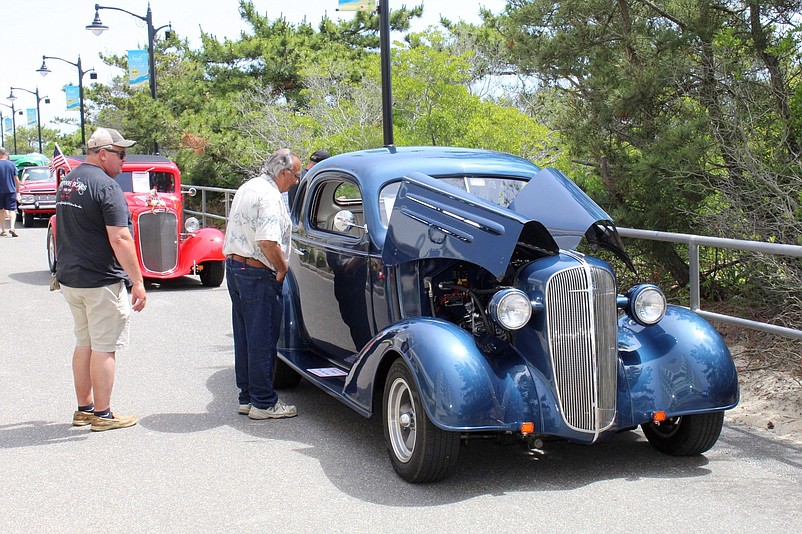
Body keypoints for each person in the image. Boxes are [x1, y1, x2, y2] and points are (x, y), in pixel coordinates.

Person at [55, 127, 146, 432]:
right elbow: (120, 237)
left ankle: (84, 409)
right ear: (104, 154)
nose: (124, 160)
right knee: (104, 347)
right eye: (121, 154)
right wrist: (139, 281)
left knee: (85, 343)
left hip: (71, 278)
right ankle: (103, 415)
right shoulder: (107, 188)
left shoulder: (68, 182)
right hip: (100, 281)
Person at [223, 148, 301, 420]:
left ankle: (248, 396)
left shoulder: (249, 186)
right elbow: (267, 240)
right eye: (296, 175)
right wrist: (282, 267)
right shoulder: (270, 195)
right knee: (262, 338)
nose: (296, 181)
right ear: (283, 172)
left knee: (245, 335)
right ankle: (264, 402)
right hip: (257, 271)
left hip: (235, 266)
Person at [0, 147, 20, 237]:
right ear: (5, 154)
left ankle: (3, 230)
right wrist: (18, 190)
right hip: (11, 190)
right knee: (12, 210)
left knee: (1, 211)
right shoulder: (12, 164)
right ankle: (12, 227)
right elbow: (16, 178)